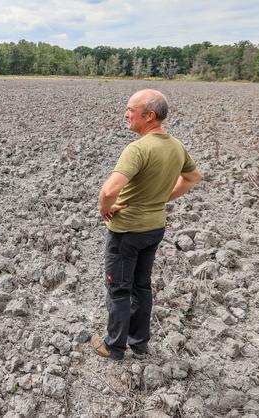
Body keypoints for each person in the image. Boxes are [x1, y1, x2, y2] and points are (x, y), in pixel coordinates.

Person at [91, 89, 202, 360]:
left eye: (131, 109)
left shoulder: (138, 149)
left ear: (149, 116)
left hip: (127, 231)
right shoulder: (175, 145)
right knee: (141, 286)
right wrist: (162, 197)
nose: (126, 114)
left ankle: (113, 347)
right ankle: (139, 344)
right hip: (154, 229)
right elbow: (192, 177)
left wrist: (105, 208)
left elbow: (109, 191)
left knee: (118, 289)